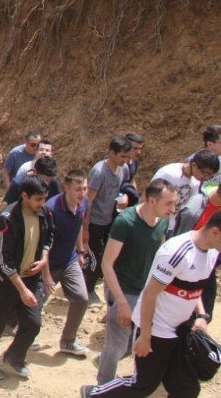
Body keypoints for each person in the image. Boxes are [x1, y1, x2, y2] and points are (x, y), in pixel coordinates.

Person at [81, 210, 221, 397]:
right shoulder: (177, 252)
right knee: (143, 384)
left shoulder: (211, 254)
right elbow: (149, 295)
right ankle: (93, 394)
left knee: (186, 389)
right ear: (215, 232)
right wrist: (145, 335)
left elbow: (196, 288)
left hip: (182, 331)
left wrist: (202, 315)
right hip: (158, 330)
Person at [94, 178, 177, 385]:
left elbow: (161, 255)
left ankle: (109, 364)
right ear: (151, 201)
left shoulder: (163, 221)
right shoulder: (125, 222)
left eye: (174, 203)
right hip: (123, 290)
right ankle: (101, 388)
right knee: (117, 345)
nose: (173, 208)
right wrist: (121, 302)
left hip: (146, 292)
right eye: (169, 203)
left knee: (134, 342)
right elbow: (107, 265)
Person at [0, 176, 52, 381]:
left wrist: (44, 258)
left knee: (33, 323)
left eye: (44, 198)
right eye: (38, 199)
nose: (42, 203)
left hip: (31, 277)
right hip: (6, 281)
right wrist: (22, 289)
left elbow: (49, 237)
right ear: (24, 196)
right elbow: (3, 260)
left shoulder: (44, 213)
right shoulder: (7, 218)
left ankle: (14, 356)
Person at [40, 170, 90, 357]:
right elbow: (42, 244)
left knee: (81, 299)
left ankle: (68, 342)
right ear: (66, 188)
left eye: (84, 188)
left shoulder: (83, 203)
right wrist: (45, 274)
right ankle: (21, 332)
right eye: (78, 189)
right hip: (49, 264)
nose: (82, 193)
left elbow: (78, 225)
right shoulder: (51, 209)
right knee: (35, 304)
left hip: (69, 260)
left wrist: (80, 251)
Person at [83, 136, 133, 303]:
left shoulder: (123, 168)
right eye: (122, 156)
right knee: (97, 258)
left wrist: (125, 196)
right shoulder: (99, 172)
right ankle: (87, 290)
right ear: (112, 152)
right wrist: (85, 228)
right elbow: (88, 201)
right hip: (95, 222)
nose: (125, 160)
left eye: (127, 156)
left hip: (111, 219)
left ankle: (89, 281)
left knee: (109, 256)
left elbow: (125, 185)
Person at [152, 149, 219, 236]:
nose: (206, 178)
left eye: (210, 175)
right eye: (205, 173)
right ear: (194, 165)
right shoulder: (169, 174)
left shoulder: (196, 181)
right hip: (156, 224)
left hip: (173, 228)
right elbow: (149, 197)